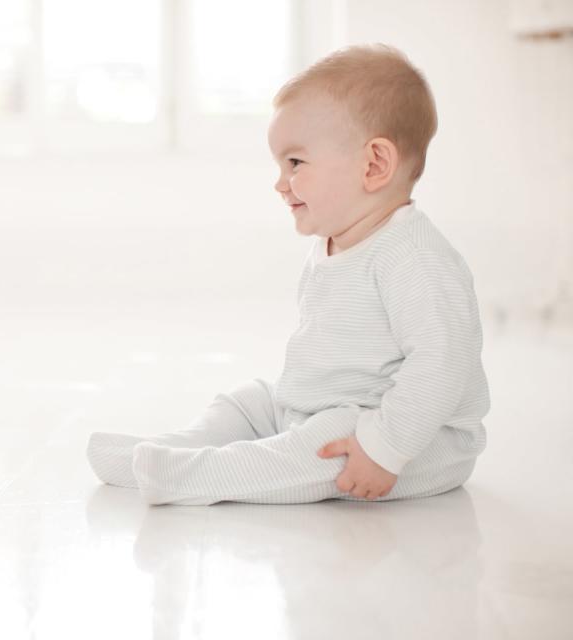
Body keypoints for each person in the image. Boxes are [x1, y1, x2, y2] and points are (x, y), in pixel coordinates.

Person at [86, 44, 490, 506]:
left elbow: (442, 364)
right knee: (252, 400)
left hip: (410, 439)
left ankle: (202, 475)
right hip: (317, 406)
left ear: (374, 164)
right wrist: (293, 404)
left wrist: (387, 447)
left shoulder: (414, 257)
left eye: (295, 163)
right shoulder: (337, 241)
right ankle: (170, 448)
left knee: (322, 443)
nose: (280, 182)